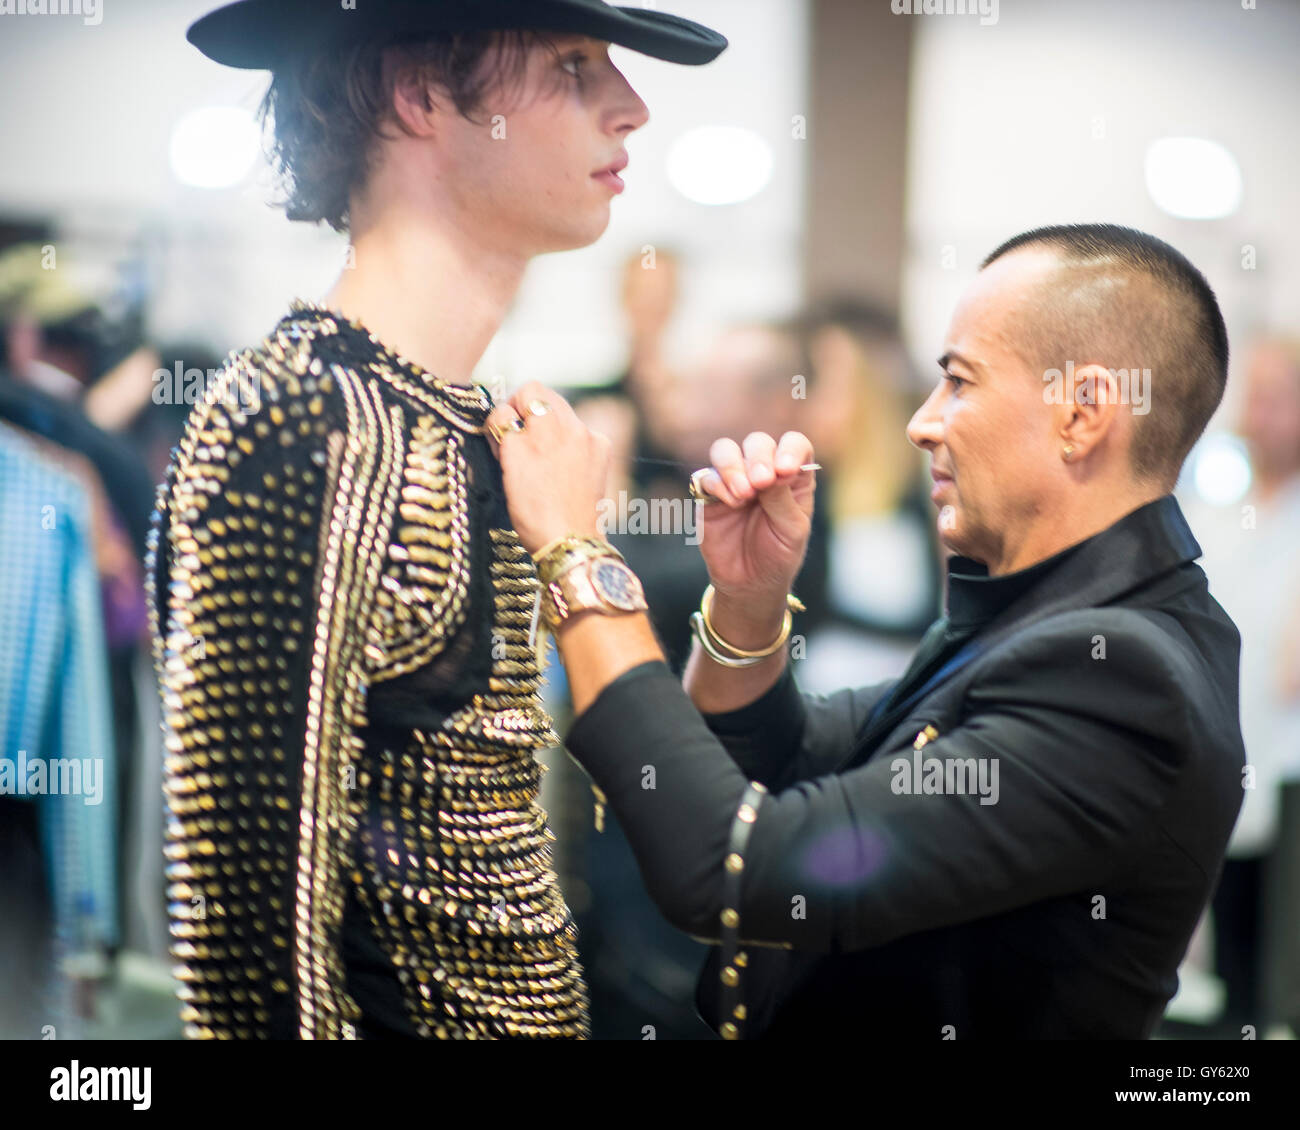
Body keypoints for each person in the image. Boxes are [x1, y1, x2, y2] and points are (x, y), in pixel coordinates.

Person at [487, 223, 1247, 1039]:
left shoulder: (1118, 676)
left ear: (1084, 413)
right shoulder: (1049, 621)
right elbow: (781, 765)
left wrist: (576, 553)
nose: (924, 423)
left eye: (959, 383)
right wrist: (749, 605)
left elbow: (737, 870)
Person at [151, 0, 727, 1040]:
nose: (631, 107)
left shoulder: (452, 412)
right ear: (420, 94)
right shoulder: (305, 420)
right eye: (569, 64)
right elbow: (250, 933)